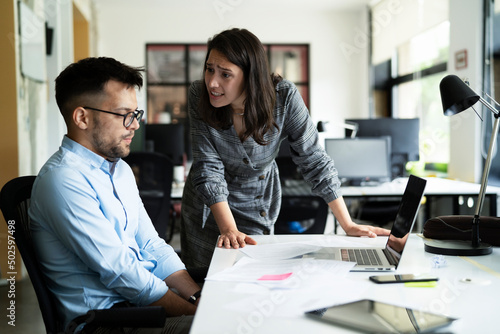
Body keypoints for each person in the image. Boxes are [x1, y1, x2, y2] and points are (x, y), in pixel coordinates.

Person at [180, 28, 390, 268]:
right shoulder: (199, 95)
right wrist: (228, 229)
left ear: (250, 76)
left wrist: (348, 224)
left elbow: (314, 160)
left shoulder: (284, 98)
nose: (212, 83)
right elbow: (208, 167)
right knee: (204, 290)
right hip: (208, 210)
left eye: (225, 74)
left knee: (252, 283)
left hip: (255, 205)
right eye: (209, 69)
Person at [29, 57, 200, 334]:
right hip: (108, 323)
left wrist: (196, 297)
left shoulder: (118, 169)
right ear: (82, 117)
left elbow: (152, 244)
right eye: (124, 115)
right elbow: (121, 272)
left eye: (136, 114)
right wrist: (198, 313)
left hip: (139, 308)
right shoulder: (62, 181)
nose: (134, 125)